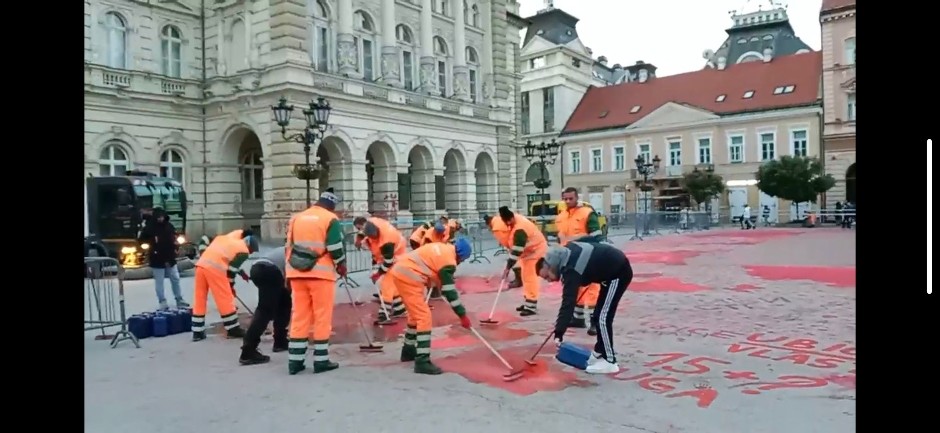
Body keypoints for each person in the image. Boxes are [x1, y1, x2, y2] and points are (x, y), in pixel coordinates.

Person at [537, 241, 633, 374]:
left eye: (547, 276)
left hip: (618, 273)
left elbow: (568, 303)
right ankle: (600, 351)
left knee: (603, 317)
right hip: (608, 273)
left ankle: (610, 361)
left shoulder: (571, 270)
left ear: (551, 265)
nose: (549, 280)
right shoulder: (567, 251)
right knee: (598, 315)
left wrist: (559, 332)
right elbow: (589, 242)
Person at [386, 237, 474, 375]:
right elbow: (449, 291)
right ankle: (422, 361)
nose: (460, 262)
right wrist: (462, 315)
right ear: (461, 255)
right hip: (409, 277)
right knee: (424, 317)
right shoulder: (449, 262)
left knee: (415, 315)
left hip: (401, 272)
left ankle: (408, 350)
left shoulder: (443, 249)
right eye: (463, 259)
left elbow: (433, 270)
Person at [285, 189, 348, 375]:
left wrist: (288, 274)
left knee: (299, 316)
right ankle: (321, 360)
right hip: (321, 275)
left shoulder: (297, 218)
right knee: (322, 317)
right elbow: (335, 246)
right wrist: (341, 265)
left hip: (297, 273)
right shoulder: (330, 219)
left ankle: (295, 361)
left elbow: (288, 246)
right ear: (332, 204)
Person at [191, 229, 256, 341]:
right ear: (249, 246)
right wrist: (230, 287)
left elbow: (226, 257)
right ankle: (233, 329)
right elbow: (230, 272)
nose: (250, 253)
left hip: (201, 266)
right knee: (225, 298)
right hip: (215, 269)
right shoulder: (244, 250)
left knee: (200, 298)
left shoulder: (226, 238)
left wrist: (241, 272)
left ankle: (197, 331)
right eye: (251, 251)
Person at [555, 187, 602, 335]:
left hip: (587, 254)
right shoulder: (561, 216)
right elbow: (560, 236)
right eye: (565, 199)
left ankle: (595, 322)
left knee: (592, 288)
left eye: (571, 198)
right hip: (569, 256)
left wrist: (578, 238)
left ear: (577, 198)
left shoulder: (587, 213)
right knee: (575, 286)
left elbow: (597, 234)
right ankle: (578, 317)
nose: (568, 201)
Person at [238, 245, 292, 366]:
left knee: (284, 303)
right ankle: (248, 350)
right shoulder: (295, 251)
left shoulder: (288, 248)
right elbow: (290, 279)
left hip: (257, 269)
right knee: (265, 310)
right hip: (269, 271)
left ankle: (280, 341)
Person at [354, 215, 408, 323]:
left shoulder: (387, 241)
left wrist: (378, 274)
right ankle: (400, 309)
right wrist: (359, 240)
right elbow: (363, 230)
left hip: (397, 256)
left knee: (386, 284)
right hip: (390, 254)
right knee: (392, 285)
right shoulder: (371, 223)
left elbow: (388, 262)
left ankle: (384, 314)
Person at [496, 206, 548, 317]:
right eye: (506, 222)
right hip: (528, 252)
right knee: (525, 277)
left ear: (512, 217)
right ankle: (527, 301)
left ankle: (531, 305)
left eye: (509, 221)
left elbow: (516, 251)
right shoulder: (515, 220)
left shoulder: (520, 229)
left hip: (535, 251)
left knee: (530, 278)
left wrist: (508, 268)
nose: (508, 224)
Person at [138, 207, 189, 310]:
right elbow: (141, 240)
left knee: (175, 279)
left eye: (162, 217)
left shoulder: (169, 226)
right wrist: (149, 245)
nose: (160, 219)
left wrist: (176, 247)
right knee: (159, 281)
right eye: (159, 217)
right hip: (157, 258)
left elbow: (174, 238)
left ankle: (179, 299)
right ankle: (162, 301)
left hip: (170, 257)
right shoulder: (150, 227)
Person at [484, 215, 523, 289]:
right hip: (519, 237)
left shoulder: (496, 227)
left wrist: (510, 249)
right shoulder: (499, 219)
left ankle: (519, 281)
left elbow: (505, 240)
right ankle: (519, 278)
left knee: (516, 261)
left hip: (515, 241)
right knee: (517, 260)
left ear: (489, 223)